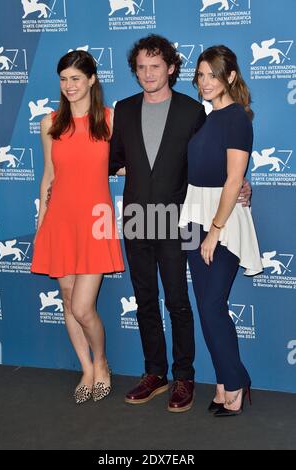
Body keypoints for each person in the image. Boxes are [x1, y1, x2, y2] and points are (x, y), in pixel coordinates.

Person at [109, 35, 251, 412]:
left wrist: (241, 184)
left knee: (178, 301)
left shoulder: (194, 111)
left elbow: (213, 160)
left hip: (181, 218)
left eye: (156, 66)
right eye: (141, 67)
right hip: (137, 218)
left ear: (171, 68)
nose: (148, 74)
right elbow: (113, 160)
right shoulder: (122, 110)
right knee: (144, 300)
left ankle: (184, 376)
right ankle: (154, 372)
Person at [31, 50, 124, 404]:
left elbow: (130, 163)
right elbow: (48, 177)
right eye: (64, 79)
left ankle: (102, 362)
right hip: (59, 222)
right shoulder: (49, 123)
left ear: (91, 80)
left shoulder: (110, 119)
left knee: (84, 308)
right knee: (68, 302)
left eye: (75, 78)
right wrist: (41, 225)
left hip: (95, 223)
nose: (69, 86)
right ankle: (86, 369)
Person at [179, 45, 263, 417]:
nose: (205, 81)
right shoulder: (205, 117)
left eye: (213, 74)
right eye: (200, 75)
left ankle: (236, 381)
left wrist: (214, 231)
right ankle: (224, 382)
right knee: (207, 308)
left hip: (221, 222)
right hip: (191, 215)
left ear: (230, 76)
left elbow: (233, 181)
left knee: (213, 306)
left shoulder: (237, 119)